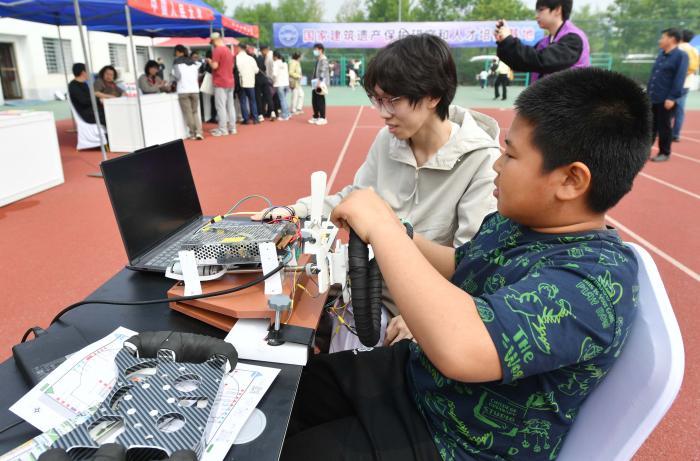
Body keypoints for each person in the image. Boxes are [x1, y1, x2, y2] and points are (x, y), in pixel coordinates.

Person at [281, 66, 651, 461]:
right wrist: (397, 229)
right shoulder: (518, 224)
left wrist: (384, 231)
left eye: (511, 155)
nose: (496, 165)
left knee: (291, 451)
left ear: (571, 181)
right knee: (283, 394)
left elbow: (462, 350)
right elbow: (462, 264)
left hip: (459, 440)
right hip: (418, 380)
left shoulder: (592, 283)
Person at [254, 34, 500, 350]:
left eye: (392, 100)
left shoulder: (482, 161)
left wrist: (430, 314)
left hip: (428, 300)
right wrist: (293, 211)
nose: (382, 113)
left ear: (433, 96)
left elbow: (471, 265)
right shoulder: (388, 140)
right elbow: (354, 197)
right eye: (376, 99)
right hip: (369, 285)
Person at [495, 0, 589, 82]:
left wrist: (509, 41)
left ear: (557, 10)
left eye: (541, 10)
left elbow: (542, 61)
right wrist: (503, 42)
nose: (536, 16)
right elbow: (523, 62)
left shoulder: (574, 39)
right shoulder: (543, 42)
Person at [648, 28, 688, 162]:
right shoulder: (661, 54)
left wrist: (672, 97)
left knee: (664, 126)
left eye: (663, 37)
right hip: (653, 96)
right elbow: (654, 76)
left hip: (666, 98)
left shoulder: (681, 56)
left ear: (672, 39)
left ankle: (664, 152)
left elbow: (679, 78)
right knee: (650, 126)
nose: (660, 40)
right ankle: (644, 151)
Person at [207, 33, 236, 136]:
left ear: (215, 40)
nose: (212, 44)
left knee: (220, 106)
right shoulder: (228, 50)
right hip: (230, 81)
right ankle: (232, 128)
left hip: (220, 81)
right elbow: (232, 66)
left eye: (212, 42)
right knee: (230, 106)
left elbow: (215, 66)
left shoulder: (217, 50)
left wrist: (209, 61)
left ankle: (223, 129)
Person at [172, 44, 203, 140]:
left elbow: (177, 77)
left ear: (178, 52)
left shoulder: (176, 62)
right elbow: (197, 76)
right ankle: (199, 132)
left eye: (175, 52)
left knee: (188, 113)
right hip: (195, 90)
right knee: (195, 112)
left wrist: (172, 75)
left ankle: (193, 133)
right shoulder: (193, 62)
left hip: (183, 90)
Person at [673, 29, 699, 142]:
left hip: (675, 83)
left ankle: (662, 131)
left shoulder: (678, 49)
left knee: (665, 108)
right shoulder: (694, 50)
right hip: (687, 82)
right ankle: (676, 134)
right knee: (680, 109)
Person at [236, 44, 260, 124]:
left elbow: (237, 69)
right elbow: (256, 70)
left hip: (241, 82)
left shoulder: (237, 58)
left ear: (239, 48)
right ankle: (255, 118)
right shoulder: (251, 58)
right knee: (252, 100)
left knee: (243, 101)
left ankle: (246, 119)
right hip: (250, 82)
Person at [309, 43, 329, 125]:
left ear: (321, 50)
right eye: (314, 50)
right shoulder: (318, 59)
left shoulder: (323, 59)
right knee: (314, 100)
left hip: (320, 82)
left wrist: (319, 81)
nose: (314, 51)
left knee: (320, 99)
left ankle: (323, 118)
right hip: (315, 81)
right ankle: (316, 116)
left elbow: (323, 71)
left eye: (316, 49)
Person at [272, 51, 291, 120]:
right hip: (286, 83)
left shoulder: (275, 63)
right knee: (284, 99)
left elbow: (274, 74)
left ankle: (285, 115)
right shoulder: (285, 63)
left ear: (275, 56)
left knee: (282, 100)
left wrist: (272, 81)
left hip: (279, 84)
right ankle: (288, 113)